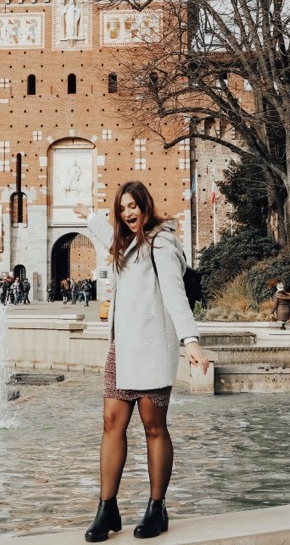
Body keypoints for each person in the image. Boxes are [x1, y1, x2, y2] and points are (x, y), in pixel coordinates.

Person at [74, 181, 209, 542]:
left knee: (153, 427)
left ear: (146, 206)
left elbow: (175, 294)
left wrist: (191, 342)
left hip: (151, 347)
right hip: (122, 347)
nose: (128, 213)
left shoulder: (161, 244)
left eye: (133, 206)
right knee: (111, 424)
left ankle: (156, 507)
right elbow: (110, 238)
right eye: (122, 208)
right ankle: (107, 508)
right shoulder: (127, 244)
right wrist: (90, 217)